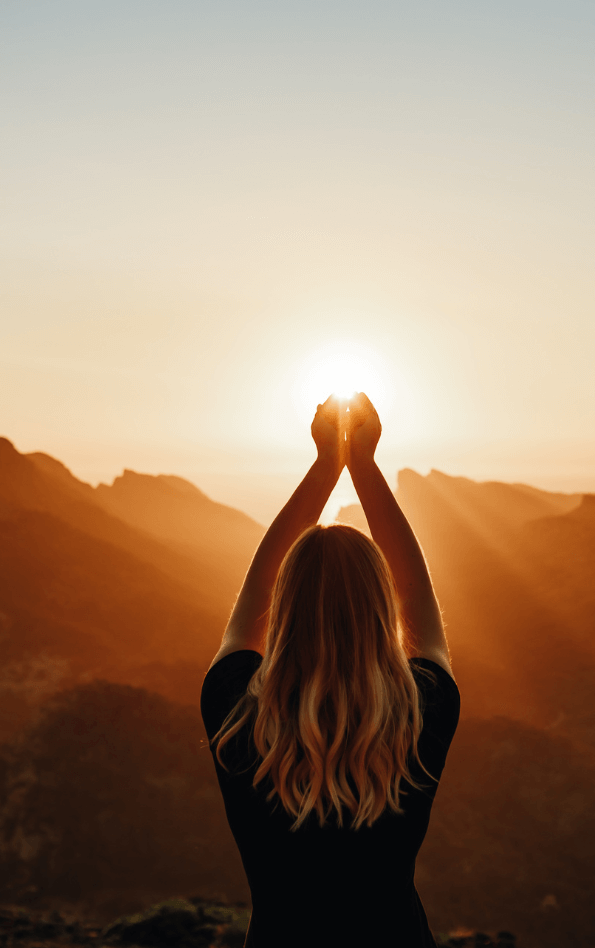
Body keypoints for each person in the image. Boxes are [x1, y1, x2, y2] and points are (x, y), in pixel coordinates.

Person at [200, 392, 460, 947]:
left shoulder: (238, 717)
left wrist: (324, 466)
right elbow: (422, 610)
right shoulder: (417, 716)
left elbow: (248, 608)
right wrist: (363, 468)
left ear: (285, 608)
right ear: (378, 609)